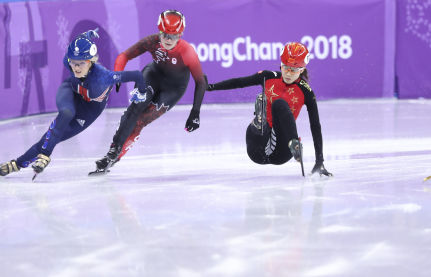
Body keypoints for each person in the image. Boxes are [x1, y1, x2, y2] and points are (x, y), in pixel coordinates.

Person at [0, 29, 151, 178]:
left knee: (48, 138)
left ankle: (16, 165)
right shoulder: (68, 62)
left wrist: (142, 93)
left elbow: (137, 75)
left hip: (89, 109)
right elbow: (79, 40)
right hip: (71, 90)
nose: (76, 67)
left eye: (81, 63)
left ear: (91, 61)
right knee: (65, 113)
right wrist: (88, 35)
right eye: (73, 62)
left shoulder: (103, 77)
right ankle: (45, 155)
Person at [93, 9, 206, 173]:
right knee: (135, 108)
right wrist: (117, 73)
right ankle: (113, 151)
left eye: (173, 36)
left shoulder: (186, 51)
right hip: (153, 75)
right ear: (159, 31)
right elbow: (124, 56)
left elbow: (200, 82)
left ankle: (117, 156)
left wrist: (195, 112)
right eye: (165, 34)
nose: (168, 39)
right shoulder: (151, 41)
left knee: (141, 121)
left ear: (180, 35)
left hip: (173, 89)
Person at [206, 42, 332, 176]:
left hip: (282, 151)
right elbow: (240, 82)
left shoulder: (306, 92)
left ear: (301, 70)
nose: (288, 73)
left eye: (293, 70)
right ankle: (260, 124)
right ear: (281, 65)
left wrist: (319, 161)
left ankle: (293, 144)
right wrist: (210, 87)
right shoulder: (268, 77)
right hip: (257, 148)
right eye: (286, 68)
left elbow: (315, 125)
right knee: (262, 100)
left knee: (279, 104)